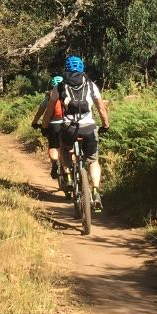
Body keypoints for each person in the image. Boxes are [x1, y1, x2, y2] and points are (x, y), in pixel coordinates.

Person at [46, 55, 109, 209]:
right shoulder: (90, 84)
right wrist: (105, 125)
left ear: (66, 68)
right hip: (88, 127)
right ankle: (95, 191)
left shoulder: (59, 86)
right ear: (82, 68)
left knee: (65, 149)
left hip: (69, 127)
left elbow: (49, 109)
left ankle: (67, 176)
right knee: (93, 161)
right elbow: (101, 108)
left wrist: (44, 125)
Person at [31, 75, 65, 181]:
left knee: (53, 146)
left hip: (53, 125)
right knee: (67, 147)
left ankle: (55, 163)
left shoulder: (50, 96)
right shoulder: (68, 94)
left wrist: (35, 122)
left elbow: (40, 111)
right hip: (67, 125)